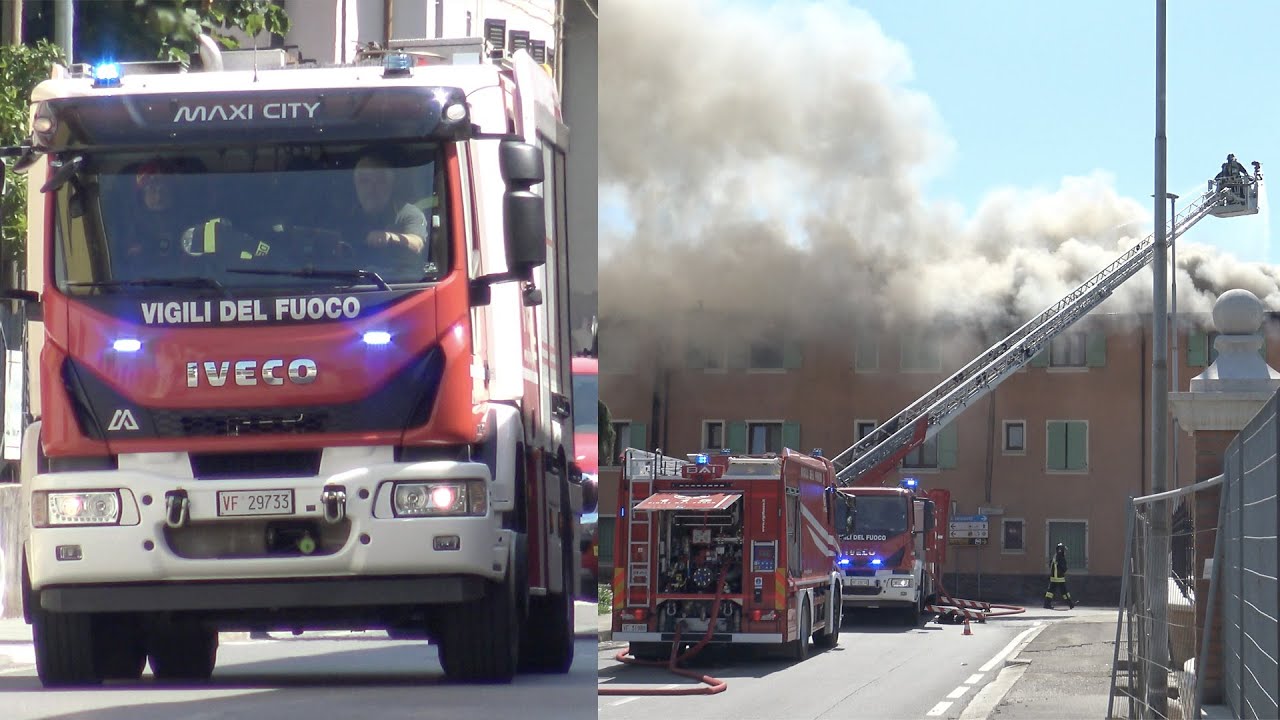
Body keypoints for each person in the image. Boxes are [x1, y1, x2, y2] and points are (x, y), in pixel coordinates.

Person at [349, 152, 429, 265]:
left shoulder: (408, 213)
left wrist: (390, 237)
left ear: (391, 185)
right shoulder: (344, 215)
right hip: (347, 278)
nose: (372, 188)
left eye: (380, 182)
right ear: (355, 185)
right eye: (364, 181)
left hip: (399, 279)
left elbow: (417, 244)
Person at [1044, 543, 1075, 610]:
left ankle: (1046, 604)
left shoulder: (1055, 557)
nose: (1065, 552)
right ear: (1061, 550)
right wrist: (1062, 572)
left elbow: (1050, 565)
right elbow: (1064, 568)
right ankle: (1070, 604)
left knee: (1050, 592)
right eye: (1064, 550)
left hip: (1053, 578)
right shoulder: (1061, 558)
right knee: (1065, 592)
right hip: (1059, 578)